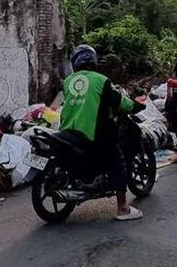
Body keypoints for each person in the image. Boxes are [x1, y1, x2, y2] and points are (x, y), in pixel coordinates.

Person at [59, 44, 143, 222]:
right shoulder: (101, 80)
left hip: (68, 131)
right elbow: (118, 101)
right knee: (118, 161)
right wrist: (135, 105)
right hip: (93, 134)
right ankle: (122, 208)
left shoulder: (67, 81)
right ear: (93, 60)